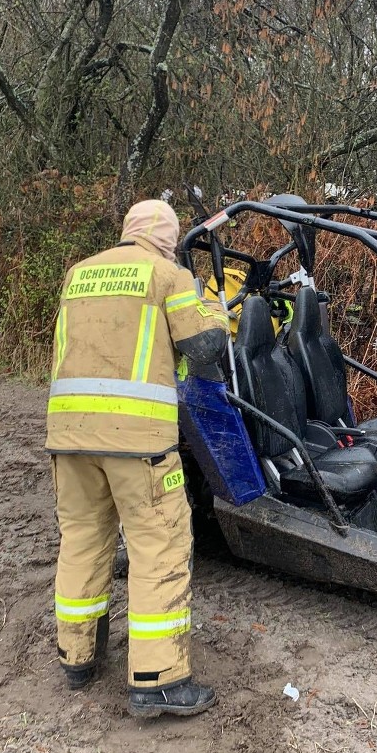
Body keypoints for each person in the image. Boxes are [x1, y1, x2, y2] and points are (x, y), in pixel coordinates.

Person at [45, 199, 229, 718]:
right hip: (137, 445)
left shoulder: (78, 274)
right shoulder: (167, 275)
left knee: (81, 541)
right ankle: (158, 682)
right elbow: (207, 347)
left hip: (69, 440)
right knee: (159, 548)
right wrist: (213, 301)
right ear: (169, 238)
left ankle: (76, 659)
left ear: (127, 230)